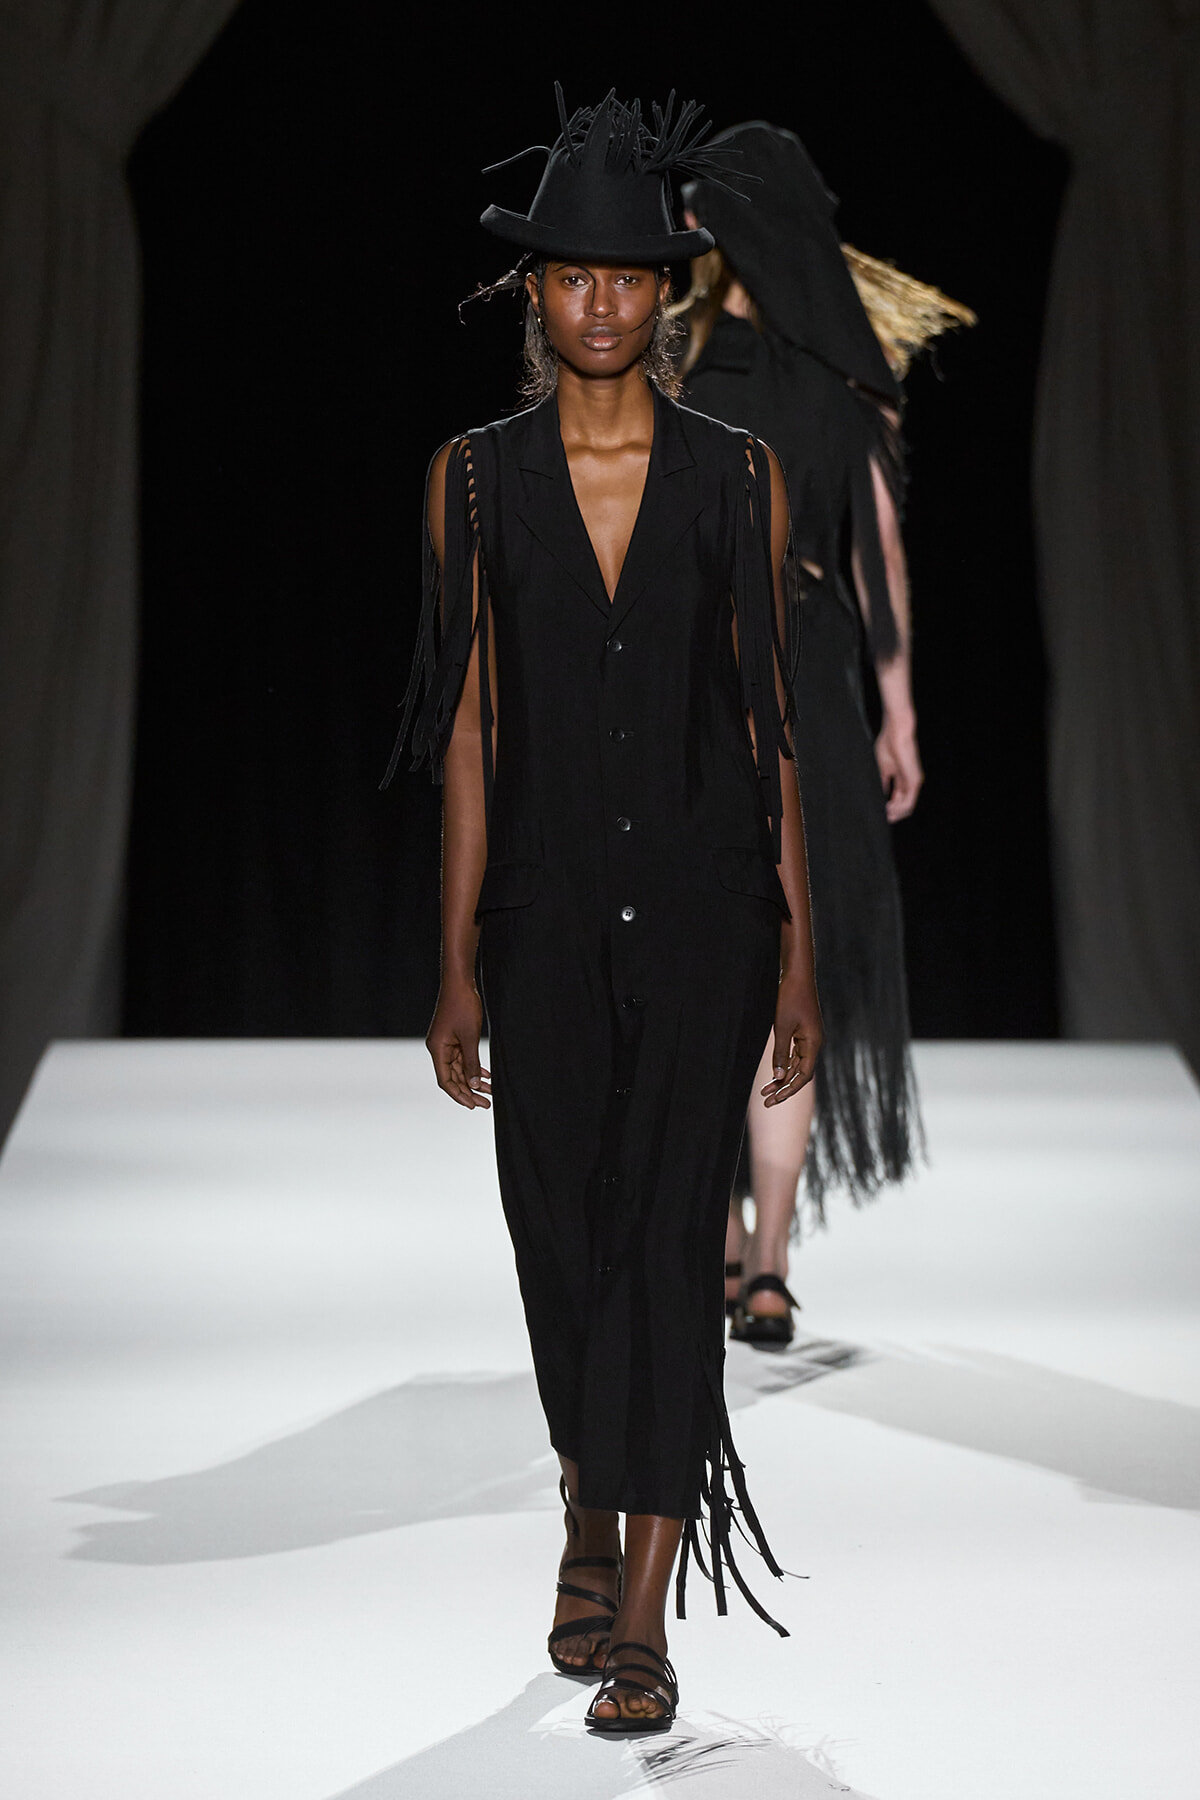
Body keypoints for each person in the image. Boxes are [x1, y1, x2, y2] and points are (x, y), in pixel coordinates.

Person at [387, 90, 822, 1734]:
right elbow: (472, 730)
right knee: (559, 1243)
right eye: (570, 277)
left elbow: (770, 730)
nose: (600, 304)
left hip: (709, 913)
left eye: (629, 278)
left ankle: (641, 1610)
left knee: (659, 1251)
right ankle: (588, 1493)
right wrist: (453, 963)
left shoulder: (738, 479)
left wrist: (799, 951)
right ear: (535, 295)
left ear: (669, 294)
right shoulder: (474, 487)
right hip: (546, 914)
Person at [679, 123, 973, 1348]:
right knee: (791, 980)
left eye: (701, 212)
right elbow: (878, 563)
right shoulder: (841, 376)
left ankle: (722, 1245)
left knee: (702, 974)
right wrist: (898, 715)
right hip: (810, 684)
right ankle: (771, 1261)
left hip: (697, 685)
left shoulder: (671, 363)